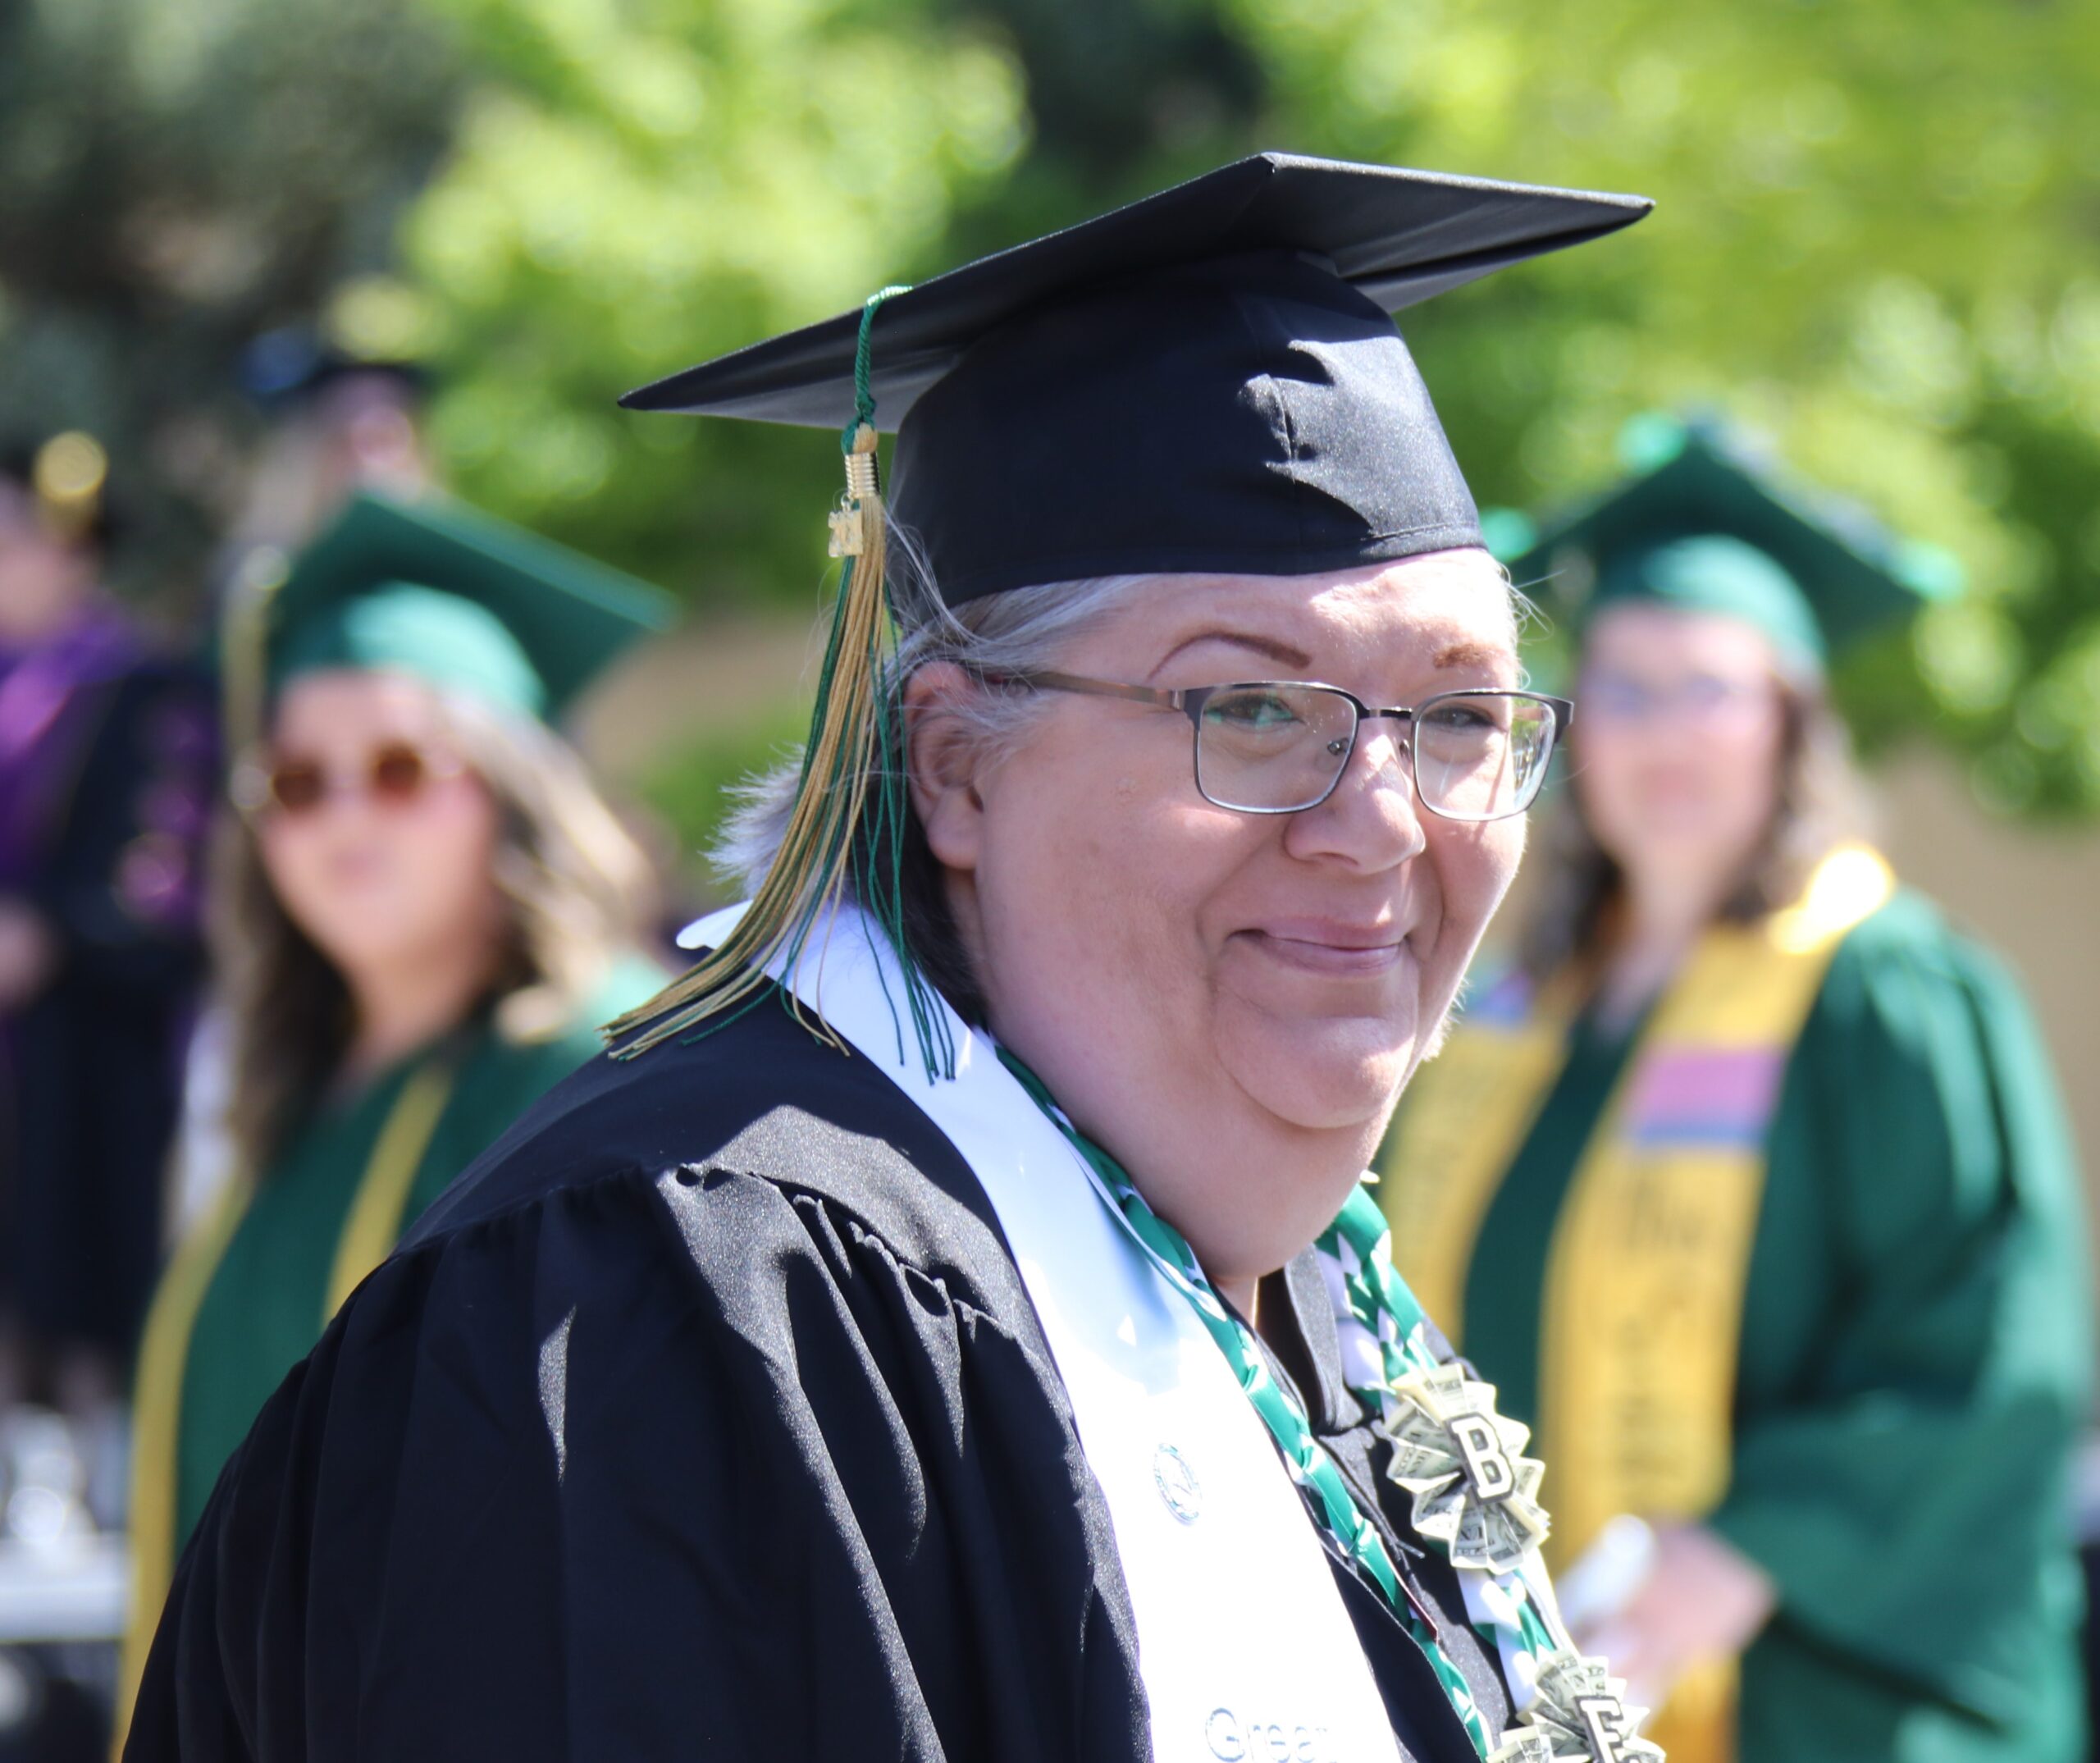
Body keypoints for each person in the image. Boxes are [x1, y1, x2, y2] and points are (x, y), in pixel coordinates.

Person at [126, 153, 1659, 1763]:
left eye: (1462, 719)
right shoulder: (678, 1323)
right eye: (1248, 708)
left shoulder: (1320, 1315)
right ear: (951, 767)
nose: (1383, 824)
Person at [1376, 418, 2092, 1763]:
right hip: (1545, 1667)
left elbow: (1992, 1346)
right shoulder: (1523, 1010)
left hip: (1812, 1701)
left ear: (1789, 720)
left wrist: (1750, 1551)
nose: (1662, 733)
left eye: (1708, 686)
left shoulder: (1884, 989)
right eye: (1625, 690)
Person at [116, 488, 674, 1737]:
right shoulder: (295, 1096)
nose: (347, 816)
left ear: (514, 787)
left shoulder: (604, 1066)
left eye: (401, 767)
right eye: (298, 782)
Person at [0, 432, 216, 1422]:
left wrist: (51, 936)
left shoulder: (145, 690)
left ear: (75, 552)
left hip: (89, 1051)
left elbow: (171, 881)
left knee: (77, 1274)